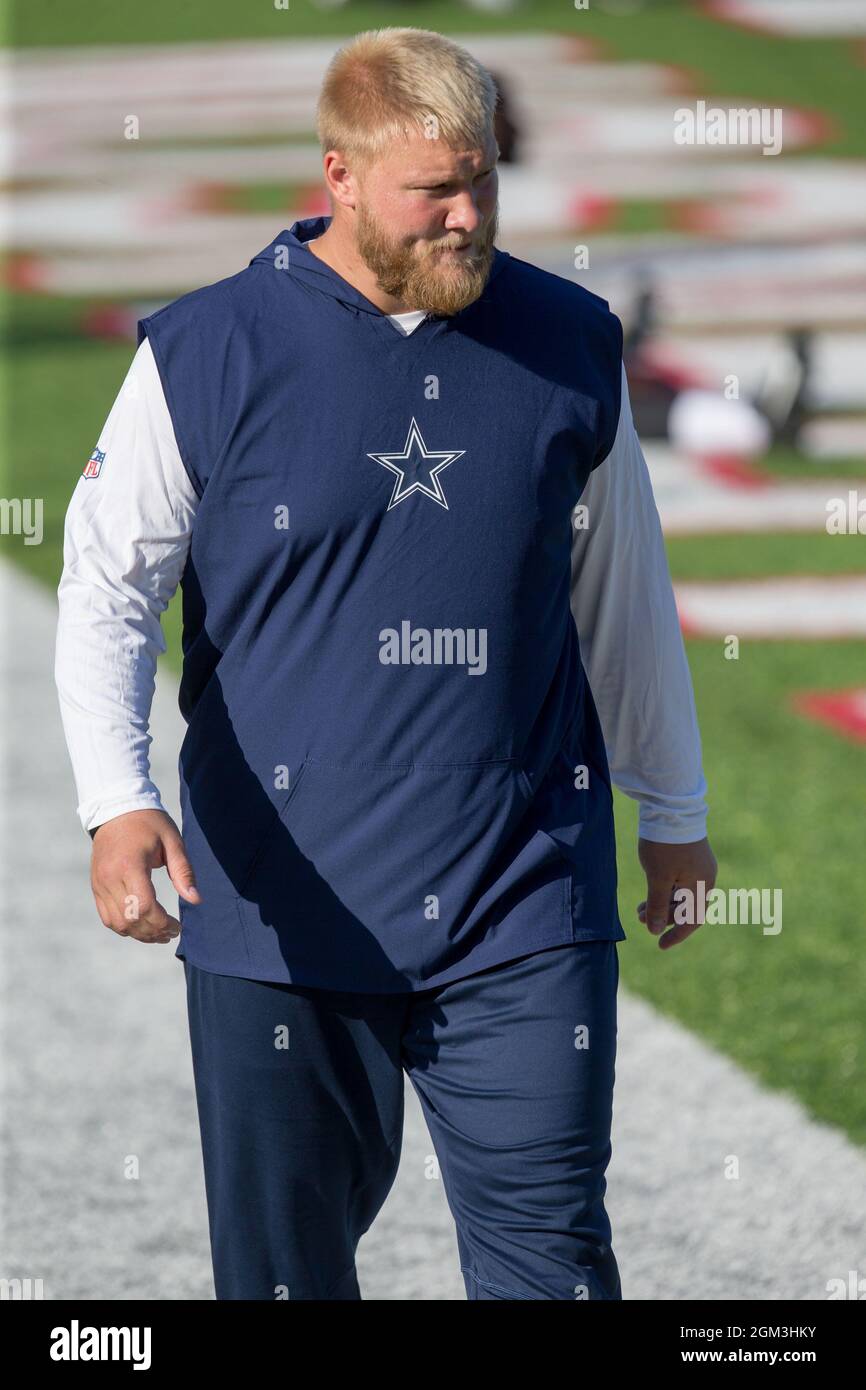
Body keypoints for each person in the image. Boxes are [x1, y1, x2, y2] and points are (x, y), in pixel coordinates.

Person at [55, 26, 716, 1301]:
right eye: (433, 193)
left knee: (556, 1267)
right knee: (284, 1281)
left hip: (521, 903)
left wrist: (673, 813)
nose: (467, 219)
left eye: (482, 185)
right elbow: (108, 589)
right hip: (278, 913)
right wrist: (115, 798)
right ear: (340, 177)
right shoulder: (204, 352)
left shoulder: (568, 344)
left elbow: (621, 597)